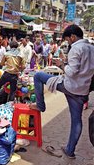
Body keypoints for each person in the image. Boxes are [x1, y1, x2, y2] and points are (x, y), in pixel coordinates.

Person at [30, 25, 94, 158]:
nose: (68, 43)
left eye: (67, 40)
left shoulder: (76, 48)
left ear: (73, 37)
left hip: (70, 86)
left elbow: (71, 72)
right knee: (76, 121)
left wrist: (62, 64)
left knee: (38, 76)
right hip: (82, 90)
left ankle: (40, 105)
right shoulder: (91, 48)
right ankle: (70, 151)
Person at [0, 41, 25, 106]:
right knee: (12, 91)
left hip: (7, 73)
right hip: (15, 75)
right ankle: (10, 105)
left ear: (10, 46)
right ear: (17, 46)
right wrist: (18, 68)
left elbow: (1, 63)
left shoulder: (7, 54)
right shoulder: (21, 55)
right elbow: (23, 66)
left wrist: (7, 64)